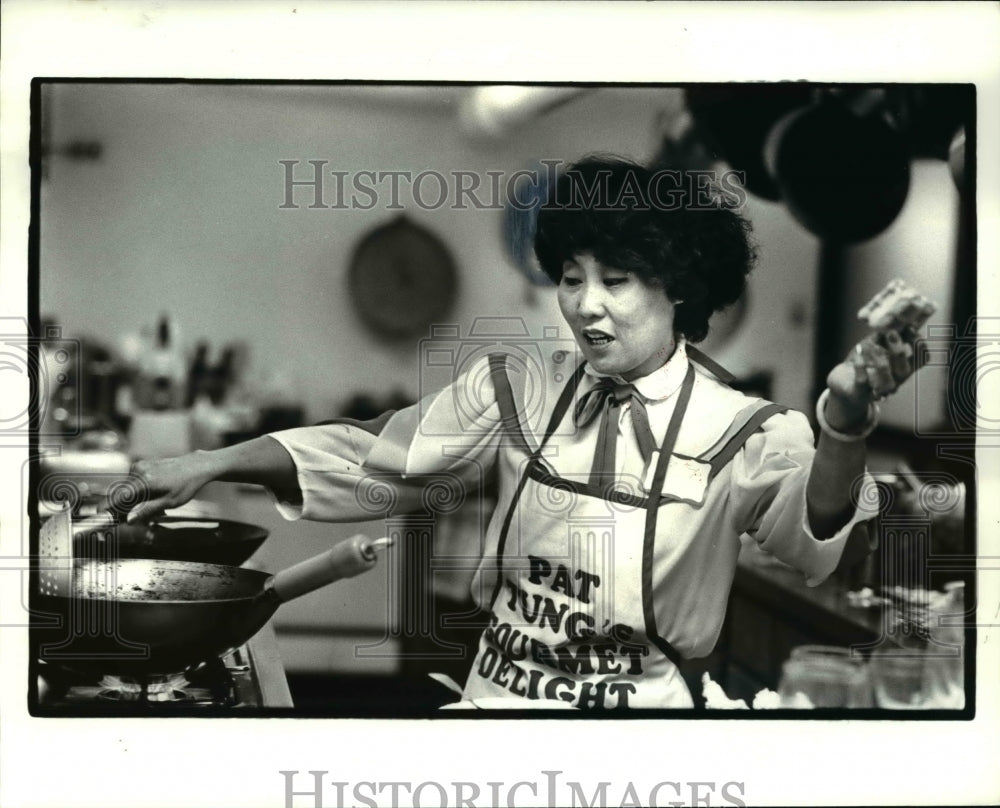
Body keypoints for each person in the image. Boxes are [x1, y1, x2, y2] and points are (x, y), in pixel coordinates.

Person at [118, 156, 923, 709]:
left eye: (615, 280)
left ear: (677, 289)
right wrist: (210, 460)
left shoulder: (745, 428)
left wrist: (844, 425)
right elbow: (374, 451)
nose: (584, 304)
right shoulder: (520, 388)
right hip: (497, 708)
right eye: (571, 278)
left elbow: (812, 532)